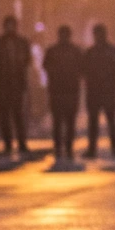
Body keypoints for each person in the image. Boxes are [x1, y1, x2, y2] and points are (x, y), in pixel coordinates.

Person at [0, 15, 32, 155]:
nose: (10, 27)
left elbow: (27, 61)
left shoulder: (22, 42)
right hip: (2, 84)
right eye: (8, 25)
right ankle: (7, 144)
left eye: (12, 25)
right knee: (4, 116)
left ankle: (22, 143)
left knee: (18, 115)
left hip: (17, 84)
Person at [82, 24, 115, 158]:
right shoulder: (92, 52)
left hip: (105, 91)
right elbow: (83, 70)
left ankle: (113, 148)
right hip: (98, 91)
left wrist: (109, 81)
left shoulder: (109, 52)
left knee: (110, 121)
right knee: (95, 122)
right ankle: (94, 149)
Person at [43, 26, 81, 160]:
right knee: (62, 122)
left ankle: (63, 148)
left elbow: (46, 67)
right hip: (63, 91)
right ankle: (63, 148)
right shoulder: (74, 51)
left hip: (63, 91)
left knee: (63, 122)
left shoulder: (54, 51)